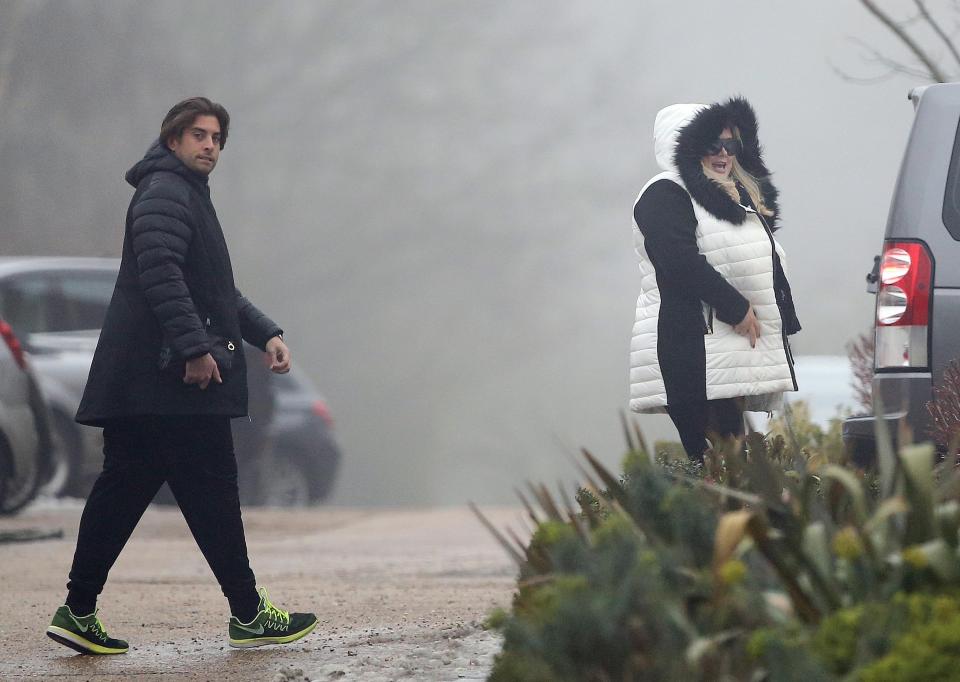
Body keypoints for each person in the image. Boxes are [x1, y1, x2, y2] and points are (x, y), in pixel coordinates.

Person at [45, 97, 317, 654]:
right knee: (210, 491)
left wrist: (265, 332)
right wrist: (195, 348)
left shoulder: (184, 194)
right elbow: (160, 273)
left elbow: (214, 290)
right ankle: (247, 614)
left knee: (128, 493)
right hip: (171, 383)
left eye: (217, 138)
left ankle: (78, 610)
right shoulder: (166, 192)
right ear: (173, 140)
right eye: (198, 135)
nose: (209, 145)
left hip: (152, 386)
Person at [629, 97, 801, 461]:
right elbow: (678, 262)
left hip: (721, 349)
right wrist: (736, 307)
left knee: (731, 460)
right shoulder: (664, 193)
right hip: (690, 348)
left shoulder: (724, 199)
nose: (724, 154)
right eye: (712, 144)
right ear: (684, 146)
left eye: (731, 144)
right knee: (716, 460)